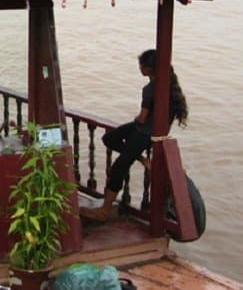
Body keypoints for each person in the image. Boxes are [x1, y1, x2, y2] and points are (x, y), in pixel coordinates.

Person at [80, 49, 189, 221]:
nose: (139, 68)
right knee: (110, 138)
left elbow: (142, 117)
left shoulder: (150, 89)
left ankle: (105, 210)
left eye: (141, 65)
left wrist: (136, 121)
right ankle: (142, 159)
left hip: (145, 133)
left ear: (147, 68)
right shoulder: (168, 85)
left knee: (118, 167)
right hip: (154, 132)